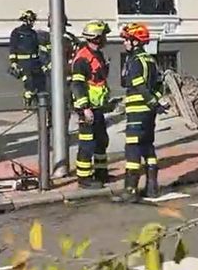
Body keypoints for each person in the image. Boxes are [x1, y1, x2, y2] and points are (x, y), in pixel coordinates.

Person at [116, 23, 167, 202]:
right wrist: (155, 102)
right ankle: (152, 187)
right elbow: (160, 85)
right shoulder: (151, 60)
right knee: (148, 146)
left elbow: (138, 85)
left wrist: (151, 101)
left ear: (135, 42)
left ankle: (130, 190)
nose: (124, 43)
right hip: (149, 113)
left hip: (137, 111)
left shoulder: (135, 61)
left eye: (127, 40)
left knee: (133, 149)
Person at [70, 20, 112, 189]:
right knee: (87, 144)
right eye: (103, 36)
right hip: (87, 109)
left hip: (98, 107)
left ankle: (101, 173)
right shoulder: (82, 58)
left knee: (101, 141)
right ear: (96, 38)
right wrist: (85, 108)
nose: (105, 39)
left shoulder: (98, 55)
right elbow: (77, 85)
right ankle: (84, 178)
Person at [9, 10, 44, 109]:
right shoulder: (17, 32)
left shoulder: (33, 33)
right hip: (23, 63)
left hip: (35, 62)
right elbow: (13, 48)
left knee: (38, 83)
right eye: (31, 20)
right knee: (29, 83)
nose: (33, 23)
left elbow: (37, 47)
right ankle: (27, 102)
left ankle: (37, 104)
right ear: (26, 20)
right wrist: (14, 62)